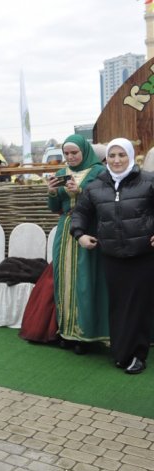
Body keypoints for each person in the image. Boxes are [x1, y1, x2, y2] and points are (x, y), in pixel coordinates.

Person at [71, 138, 154, 374]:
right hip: (112, 256)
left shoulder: (148, 181)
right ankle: (121, 352)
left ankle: (136, 354)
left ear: (130, 156)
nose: (117, 160)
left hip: (143, 255)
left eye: (122, 155)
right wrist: (80, 235)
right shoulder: (96, 186)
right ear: (106, 159)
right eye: (112, 156)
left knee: (138, 306)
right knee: (118, 305)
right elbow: (80, 213)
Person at [46, 134, 110, 353]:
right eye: (66, 153)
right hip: (65, 231)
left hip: (88, 229)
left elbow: (105, 202)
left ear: (84, 151)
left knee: (85, 280)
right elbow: (55, 207)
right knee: (64, 279)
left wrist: (81, 192)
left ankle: (86, 334)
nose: (70, 157)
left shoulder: (99, 172)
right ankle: (66, 332)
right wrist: (53, 192)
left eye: (74, 153)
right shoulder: (61, 173)